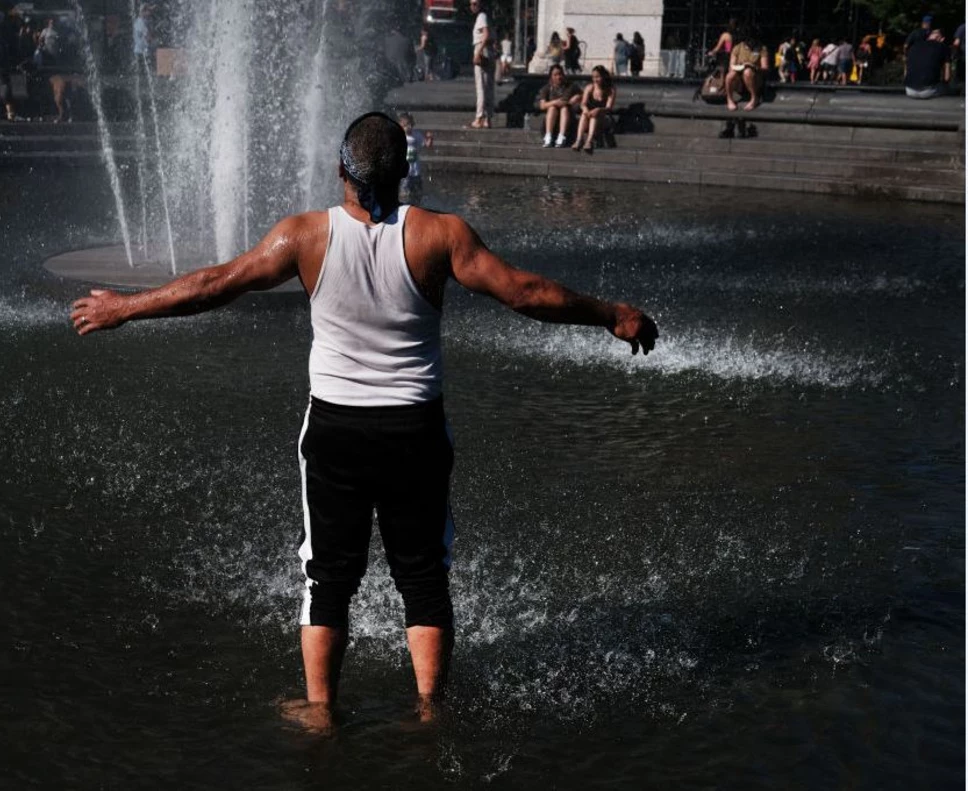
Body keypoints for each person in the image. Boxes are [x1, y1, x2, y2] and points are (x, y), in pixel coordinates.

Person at [69, 113, 658, 731]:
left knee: (328, 574)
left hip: (336, 434)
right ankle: (430, 710)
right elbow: (525, 291)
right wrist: (609, 313)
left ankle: (320, 709)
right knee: (424, 575)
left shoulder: (304, 237)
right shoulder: (440, 235)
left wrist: (126, 308)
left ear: (339, 169)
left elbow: (219, 284)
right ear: (404, 171)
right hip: (415, 433)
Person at [571, 65, 615, 152]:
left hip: (604, 118)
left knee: (595, 116)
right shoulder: (590, 87)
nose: (595, 80)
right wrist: (585, 110)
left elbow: (609, 108)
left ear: (603, 76)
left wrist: (599, 110)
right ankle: (579, 140)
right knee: (585, 115)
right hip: (589, 117)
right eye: (593, 77)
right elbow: (583, 103)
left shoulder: (610, 89)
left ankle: (589, 141)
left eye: (598, 77)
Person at [537, 64, 581, 148]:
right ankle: (548, 136)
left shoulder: (571, 86)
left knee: (564, 108)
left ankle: (562, 136)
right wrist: (554, 102)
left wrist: (578, 97)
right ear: (551, 77)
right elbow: (542, 105)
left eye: (560, 74)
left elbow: (583, 95)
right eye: (555, 75)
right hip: (552, 117)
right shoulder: (547, 88)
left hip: (568, 117)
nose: (558, 77)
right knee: (552, 108)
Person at [725, 31, 769, 111]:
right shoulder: (737, 48)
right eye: (748, 40)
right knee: (730, 75)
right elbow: (731, 66)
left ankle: (754, 98)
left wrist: (754, 66)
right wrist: (740, 66)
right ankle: (729, 99)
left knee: (747, 72)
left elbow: (765, 68)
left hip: (755, 77)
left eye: (752, 40)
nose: (750, 42)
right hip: (739, 76)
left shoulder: (761, 48)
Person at [468, 0, 493, 129]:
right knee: (487, 86)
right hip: (487, 51)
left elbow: (486, 34)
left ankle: (479, 118)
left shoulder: (482, 16)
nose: (472, 6)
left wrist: (478, 52)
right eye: (471, 4)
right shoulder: (485, 16)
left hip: (481, 49)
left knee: (481, 87)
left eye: (475, 3)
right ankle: (487, 119)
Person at [905, 29, 951, 98]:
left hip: (909, 90)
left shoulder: (914, 46)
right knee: (947, 88)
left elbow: (906, 68)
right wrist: (945, 84)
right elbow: (947, 76)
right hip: (929, 91)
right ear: (942, 39)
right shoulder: (943, 47)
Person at [397, 112, 433, 197]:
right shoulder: (399, 135)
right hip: (404, 168)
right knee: (404, 189)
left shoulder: (416, 134)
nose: (408, 127)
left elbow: (427, 145)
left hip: (415, 167)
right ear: (400, 126)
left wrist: (430, 138)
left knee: (417, 189)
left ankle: (417, 199)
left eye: (409, 125)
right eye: (405, 125)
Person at [133, 5, 153, 70]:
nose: (150, 13)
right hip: (141, 52)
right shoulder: (140, 23)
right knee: (144, 72)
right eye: (148, 11)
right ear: (143, 12)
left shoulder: (141, 22)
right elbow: (148, 37)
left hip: (142, 51)